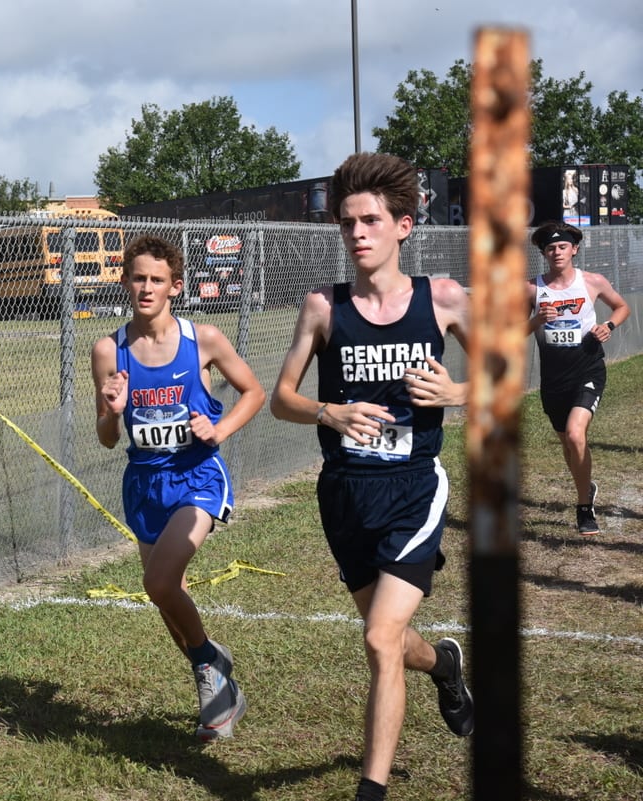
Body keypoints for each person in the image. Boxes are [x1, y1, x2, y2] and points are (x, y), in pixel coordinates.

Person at [269, 152, 475, 801]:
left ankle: (372, 790)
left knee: (380, 638)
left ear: (404, 226)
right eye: (347, 223)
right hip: (344, 492)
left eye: (370, 221)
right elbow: (280, 399)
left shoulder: (442, 298)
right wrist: (327, 410)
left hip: (414, 487)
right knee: (390, 640)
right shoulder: (323, 308)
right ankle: (443, 664)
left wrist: (457, 391)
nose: (357, 233)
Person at [91, 234, 265, 742]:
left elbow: (253, 392)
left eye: (157, 280)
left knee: (159, 582)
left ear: (176, 286)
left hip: (197, 477)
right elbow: (106, 438)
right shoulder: (109, 350)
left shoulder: (202, 339)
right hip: (145, 483)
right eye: (138, 278)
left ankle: (209, 661)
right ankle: (217, 686)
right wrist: (113, 412)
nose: (146, 288)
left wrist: (219, 428)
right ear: (125, 282)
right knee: (169, 596)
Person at [527, 221, 631, 535]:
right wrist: (537, 320)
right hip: (553, 379)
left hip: (588, 369)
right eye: (550, 248)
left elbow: (621, 307)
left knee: (575, 434)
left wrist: (608, 326)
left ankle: (584, 507)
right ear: (544, 254)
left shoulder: (592, 281)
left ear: (574, 249)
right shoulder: (531, 289)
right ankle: (587, 487)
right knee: (568, 443)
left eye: (562, 247)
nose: (557, 252)